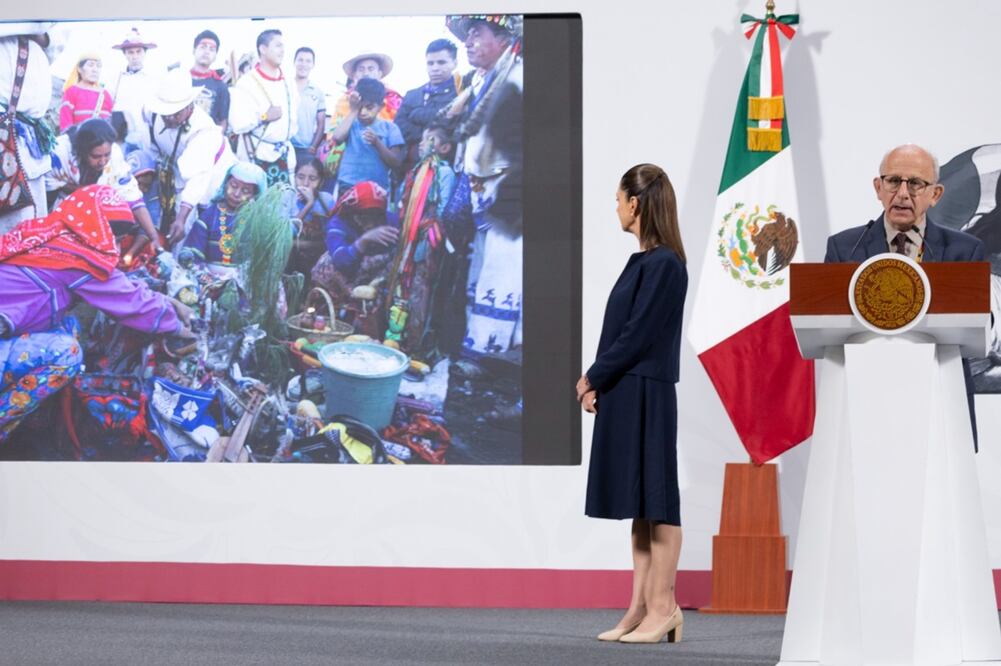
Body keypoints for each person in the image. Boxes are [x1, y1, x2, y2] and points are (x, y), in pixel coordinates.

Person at [577, 164, 688, 645]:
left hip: (647, 388)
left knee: (659, 502)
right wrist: (604, 382)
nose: (616, 207)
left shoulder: (665, 263)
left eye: (619, 198)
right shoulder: (641, 261)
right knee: (640, 504)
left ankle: (665, 608)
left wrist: (591, 377)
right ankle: (639, 606)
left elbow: (637, 335)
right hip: (628, 388)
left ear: (636, 203)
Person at [0, 185, 192, 442]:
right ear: (92, 222)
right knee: (67, 353)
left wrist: (167, 302)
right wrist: (177, 327)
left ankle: (40, 417)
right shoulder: (80, 258)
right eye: (111, 231)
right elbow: (130, 300)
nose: (113, 242)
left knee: (69, 325)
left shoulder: (56, 235)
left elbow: (119, 283)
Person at [824, 143, 986, 447]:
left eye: (915, 184)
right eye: (893, 181)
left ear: (935, 194)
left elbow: (972, 334)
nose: (902, 193)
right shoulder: (845, 248)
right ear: (878, 187)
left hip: (939, 397)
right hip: (865, 396)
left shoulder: (964, 251)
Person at [446, 14, 523, 357]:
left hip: (510, 193)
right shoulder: (479, 82)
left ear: (503, 39)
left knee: (502, 270)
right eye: (468, 35)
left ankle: (493, 351)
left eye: (477, 34)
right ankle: (477, 348)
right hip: (483, 192)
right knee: (482, 268)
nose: (468, 42)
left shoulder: (520, 75)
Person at [383, 124, 457, 359]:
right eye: (422, 140)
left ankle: (415, 341)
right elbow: (402, 202)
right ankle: (395, 332)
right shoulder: (415, 172)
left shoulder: (444, 173)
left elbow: (443, 208)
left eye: (430, 140)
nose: (423, 144)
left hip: (425, 241)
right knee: (400, 285)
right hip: (406, 240)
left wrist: (429, 232)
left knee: (420, 288)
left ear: (445, 147)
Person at [144, 70, 237, 246]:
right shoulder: (152, 113)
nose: (169, 118)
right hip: (176, 170)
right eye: (166, 113)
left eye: (175, 113)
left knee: (191, 228)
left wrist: (181, 218)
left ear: (189, 106)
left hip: (212, 174)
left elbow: (197, 179)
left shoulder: (204, 131)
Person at [46, 118, 161, 252]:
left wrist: (153, 237)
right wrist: (89, 193)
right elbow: (47, 187)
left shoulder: (115, 156)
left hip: (95, 214)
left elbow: (133, 198)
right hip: (59, 209)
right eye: (96, 156)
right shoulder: (59, 153)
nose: (103, 161)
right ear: (82, 151)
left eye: (107, 155)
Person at [0, 24, 56, 233]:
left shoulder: (33, 43)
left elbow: (51, 38)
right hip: (8, 142)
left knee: (29, 226)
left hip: (26, 142)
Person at [317, 52, 402, 185]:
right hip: (347, 175)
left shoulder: (394, 101)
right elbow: (335, 137)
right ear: (354, 75)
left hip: (377, 178)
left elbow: (395, 153)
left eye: (371, 68)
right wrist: (353, 110)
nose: (366, 73)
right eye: (361, 69)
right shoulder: (344, 101)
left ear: (380, 73)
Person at [230, 29, 299, 186]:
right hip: (256, 156)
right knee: (254, 208)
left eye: (283, 46)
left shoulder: (289, 82)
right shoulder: (246, 83)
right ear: (263, 49)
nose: (283, 50)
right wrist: (264, 117)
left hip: (285, 157)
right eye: (277, 45)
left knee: (283, 206)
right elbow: (238, 124)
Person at [182, 161, 267, 278]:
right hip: (207, 280)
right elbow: (194, 254)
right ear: (225, 183)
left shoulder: (257, 221)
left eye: (245, 191)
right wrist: (203, 276)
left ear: (254, 195)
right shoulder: (208, 216)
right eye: (234, 185)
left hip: (243, 281)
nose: (237, 194)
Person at [328, 78, 404, 194]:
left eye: (369, 107)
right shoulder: (351, 123)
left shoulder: (390, 128)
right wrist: (353, 110)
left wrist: (377, 143)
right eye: (360, 107)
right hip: (348, 184)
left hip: (376, 188)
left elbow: (396, 162)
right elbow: (337, 138)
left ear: (381, 106)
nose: (363, 112)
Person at [394, 39, 459, 168]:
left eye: (441, 62)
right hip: (407, 168)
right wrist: (431, 133)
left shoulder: (459, 94)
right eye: (430, 63)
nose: (435, 68)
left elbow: (450, 128)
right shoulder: (412, 95)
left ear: (454, 63)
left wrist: (416, 115)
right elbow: (399, 129)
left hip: (443, 170)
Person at [107, 28, 159, 151]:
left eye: (138, 51)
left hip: (147, 134)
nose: (135, 56)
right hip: (122, 136)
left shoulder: (154, 79)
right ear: (125, 54)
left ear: (144, 53)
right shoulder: (116, 80)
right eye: (130, 52)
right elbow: (109, 107)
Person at [288, 157, 335, 279]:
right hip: (290, 263)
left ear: (321, 181)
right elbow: (285, 235)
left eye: (312, 179)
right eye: (301, 177)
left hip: (317, 262)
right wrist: (308, 205)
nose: (305, 184)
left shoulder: (327, 200)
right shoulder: (287, 198)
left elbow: (331, 237)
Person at [59, 52, 114, 132]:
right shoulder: (72, 92)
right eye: (90, 65)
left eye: (98, 66)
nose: (95, 70)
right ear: (79, 69)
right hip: (78, 141)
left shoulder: (105, 94)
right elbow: (66, 123)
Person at [290, 47, 326, 167]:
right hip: (284, 146)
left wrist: (313, 146)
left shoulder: (317, 92)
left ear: (313, 65)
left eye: (308, 61)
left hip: (305, 150)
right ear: (294, 62)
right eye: (300, 60)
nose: (303, 64)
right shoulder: (285, 86)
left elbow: (321, 123)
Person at [190, 30, 229, 132]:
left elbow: (222, 121)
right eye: (203, 47)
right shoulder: (180, 79)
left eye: (211, 49)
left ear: (215, 56)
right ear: (194, 51)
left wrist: (216, 141)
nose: (207, 52)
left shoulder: (220, 86)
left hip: (207, 139)